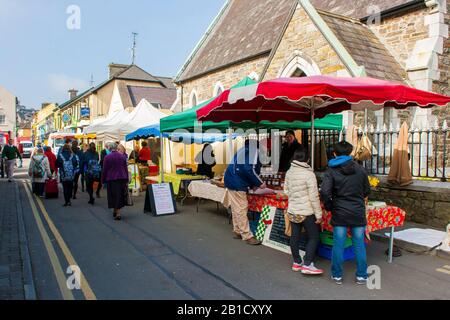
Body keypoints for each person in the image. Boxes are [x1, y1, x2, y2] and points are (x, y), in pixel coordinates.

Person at [320, 141, 371, 285]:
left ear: (334, 153)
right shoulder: (360, 169)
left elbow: (325, 192)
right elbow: (367, 190)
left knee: (339, 244)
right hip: (357, 211)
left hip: (340, 211)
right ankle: (362, 275)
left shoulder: (331, 170)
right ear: (350, 153)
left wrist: (330, 206)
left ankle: (337, 275)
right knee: (359, 243)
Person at [284, 146, 323, 275]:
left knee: (295, 236)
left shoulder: (289, 172)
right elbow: (314, 197)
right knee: (314, 237)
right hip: (306, 212)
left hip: (293, 210)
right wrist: (319, 215)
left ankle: (296, 262)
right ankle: (307, 264)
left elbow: (286, 191)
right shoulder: (309, 174)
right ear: (307, 159)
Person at [224, 140, 266, 245]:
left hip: (230, 180)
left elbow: (243, 168)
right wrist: (260, 183)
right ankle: (247, 235)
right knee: (242, 208)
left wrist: (252, 184)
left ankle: (237, 230)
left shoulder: (242, 150)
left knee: (235, 207)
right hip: (237, 182)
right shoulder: (254, 151)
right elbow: (249, 169)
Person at [102, 143, 129, 221]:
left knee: (113, 195)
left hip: (111, 178)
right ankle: (117, 211)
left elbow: (105, 170)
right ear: (116, 148)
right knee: (119, 195)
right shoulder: (122, 156)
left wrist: (103, 180)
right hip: (122, 178)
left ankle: (117, 212)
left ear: (110, 148)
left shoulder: (107, 157)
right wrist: (126, 178)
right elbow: (125, 169)